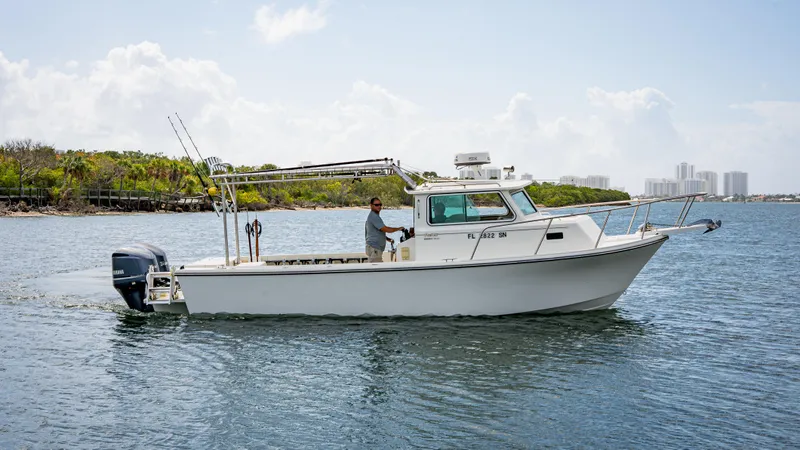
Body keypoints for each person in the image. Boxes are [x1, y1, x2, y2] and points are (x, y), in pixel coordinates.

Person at [364, 197, 405, 263]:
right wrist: (399, 228)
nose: (379, 206)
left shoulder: (373, 217)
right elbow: (385, 229)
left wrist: (388, 239)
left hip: (374, 248)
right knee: (376, 271)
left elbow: (375, 232)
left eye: (380, 204)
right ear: (371, 205)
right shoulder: (374, 217)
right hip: (374, 248)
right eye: (376, 205)